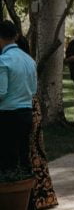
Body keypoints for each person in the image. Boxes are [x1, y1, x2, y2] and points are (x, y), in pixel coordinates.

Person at [0, 20, 37, 181]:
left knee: (8, 159)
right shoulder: (29, 60)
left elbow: (1, 92)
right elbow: (34, 89)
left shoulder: (4, 60)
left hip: (8, 114)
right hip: (26, 112)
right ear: (15, 36)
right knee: (23, 156)